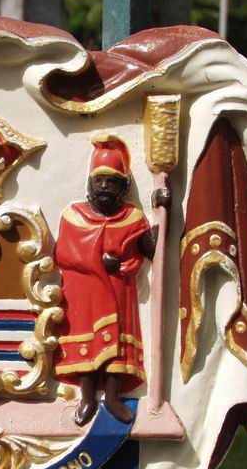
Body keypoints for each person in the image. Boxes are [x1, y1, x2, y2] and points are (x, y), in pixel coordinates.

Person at [53, 135, 170, 425]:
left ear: (123, 186)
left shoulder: (132, 218)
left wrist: (164, 213)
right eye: (100, 180)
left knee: (117, 346)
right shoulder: (74, 216)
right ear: (91, 184)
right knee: (89, 346)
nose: (105, 187)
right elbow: (65, 254)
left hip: (119, 292)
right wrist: (98, 261)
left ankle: (114, 399)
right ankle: (88, 398)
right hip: (85, 294)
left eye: (113, 181)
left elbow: (152, 249)